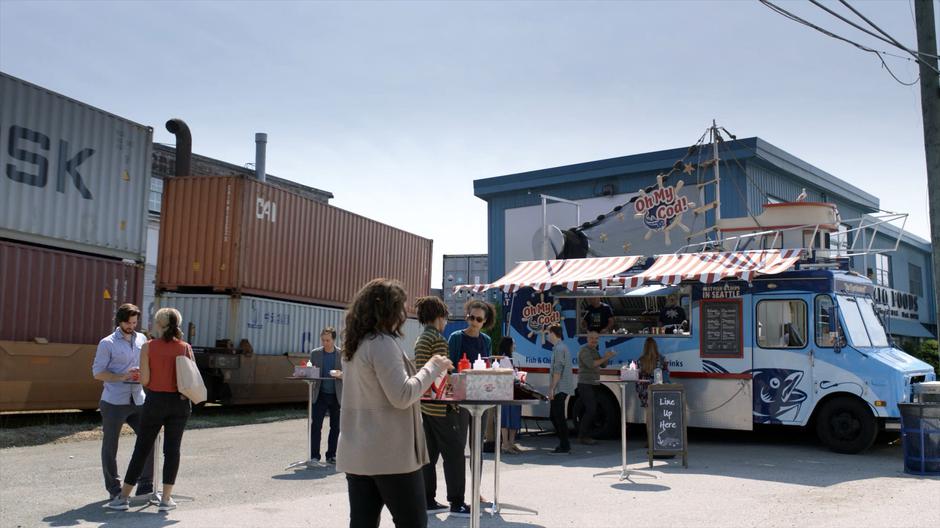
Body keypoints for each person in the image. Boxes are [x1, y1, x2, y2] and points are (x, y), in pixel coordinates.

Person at [337, 279, 452, 528]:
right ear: (389, 310)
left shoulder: (353, 346)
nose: (404, 313)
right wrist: (433, 366)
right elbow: (402, 395)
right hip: (390, 454)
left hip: (358, 452)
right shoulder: (382, 344)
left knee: (362, 522)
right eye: (400, 307)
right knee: (412, 523)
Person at [106, 308, 194, 512]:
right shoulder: (185, 347)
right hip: (179, 404)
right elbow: (190, 380)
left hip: (155, 402)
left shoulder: (148, 347)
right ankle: (166, 499)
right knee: (172, 451)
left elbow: (144, 380)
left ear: (159, 325)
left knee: (142, 449)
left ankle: (124, 498)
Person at [413, 296, 471, 517]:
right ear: (438, 317)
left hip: (425, 404)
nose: (446, 322)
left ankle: (428, 499)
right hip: (441, 406)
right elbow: (444, 375)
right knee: (455, 454)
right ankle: (457, 502)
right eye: (445, 317)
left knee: (430, 455)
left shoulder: (421, 339)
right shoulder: (437, 339)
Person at [92, 303, 155, 502]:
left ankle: (145, 486)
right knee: (110, 446)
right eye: (128, 322)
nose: (132, 326)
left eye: (135, 322)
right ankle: (114, 488)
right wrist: (122, 376)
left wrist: (143, 374)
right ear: (119, 321)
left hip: (138, 399)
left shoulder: (143, 339)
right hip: (114, 401)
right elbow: (97, 373)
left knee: (148, 440)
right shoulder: (107, 343)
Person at [310, 327, 343, 465]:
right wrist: (306, 372)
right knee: (316, 426)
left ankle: (331, 455)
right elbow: (311, 370)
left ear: (334, 339)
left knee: (335, 427)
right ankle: (314, 457)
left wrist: (340, 374)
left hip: (337, 395)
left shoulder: (342, 354)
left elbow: (349, 373)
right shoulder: (315, 354)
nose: (325, 343)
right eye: (323, 340)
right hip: (320, 394)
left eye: (328, 340)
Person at [576, 332, 615, 445]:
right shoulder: (584, 350)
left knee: (592, 410)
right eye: (592, 338)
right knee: (591, 409)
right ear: (587, 339)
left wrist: (607, 357)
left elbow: (603, 365)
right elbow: (591, 364)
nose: (594, 340)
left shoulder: (594, 350)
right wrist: (606, 357)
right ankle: (582, 436)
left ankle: (585, 435)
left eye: (596, 338)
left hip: (594, 383)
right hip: (585, 383)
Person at [546, 325, 574, 454]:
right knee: (555, 416)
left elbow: (557, 371)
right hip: (562, 387)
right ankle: (564, 443)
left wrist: (552, 388)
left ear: (553, 333)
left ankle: (564, 444)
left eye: (548, 333)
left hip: (560, 387)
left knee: (558, 416)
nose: (547, 336)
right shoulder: (561, 347)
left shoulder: (559, 349)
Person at [498, 337, 522, 454]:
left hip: (511, 391)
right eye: (514, 343)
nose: (515, 346)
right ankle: (506, 444)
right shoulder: (505, 358)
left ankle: (511, 443)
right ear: (509, 345)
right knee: (507, 418)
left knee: (512, 417)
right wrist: (517, 374)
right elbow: (510, 375)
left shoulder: (507, 358)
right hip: (507, 392)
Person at [635, 337, 670, 408]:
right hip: (658, 389)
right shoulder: (662, 359)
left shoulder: (640, 360)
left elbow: (637, 377)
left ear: (645, 347)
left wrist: (639, 391)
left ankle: (647, 419)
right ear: (655, 346)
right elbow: (666, 374)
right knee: (659, 412)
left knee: (647, 412)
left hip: (645, 391)